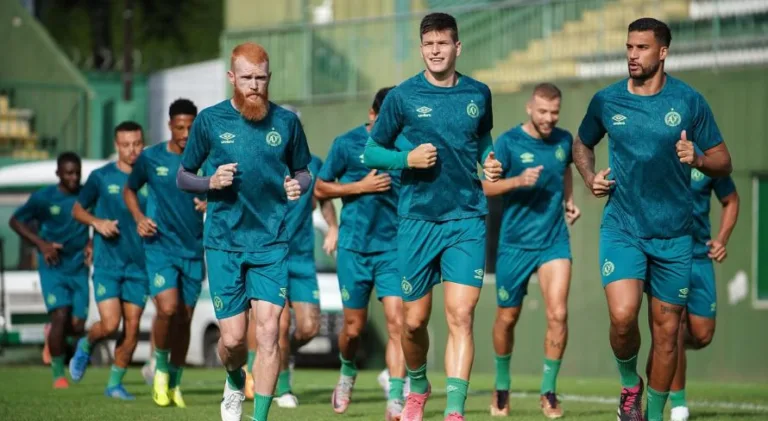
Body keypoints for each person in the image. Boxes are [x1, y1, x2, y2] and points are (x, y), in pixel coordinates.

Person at [571, 18, 732, 421]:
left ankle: (654, 415)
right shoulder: (607, 101)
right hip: (623, 228)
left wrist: (697, 157)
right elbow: (582, 142)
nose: (632, 55)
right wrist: (590, 177)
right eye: (628, 47)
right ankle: (630, 385)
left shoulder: (689, 102)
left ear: (662, 52)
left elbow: (723, 161)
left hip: (676, 236)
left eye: (641, 48)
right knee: (623, 317)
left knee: (666, 338)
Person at [363, 12, 503, 421]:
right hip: (417, 221)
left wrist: (489, 161)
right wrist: (406, 158)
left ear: (457, 47)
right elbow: (371, 152)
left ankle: (455, 411)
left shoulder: (479, 93)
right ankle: (418, 386)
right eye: (429, 44)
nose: (436, 51)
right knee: (413, 322)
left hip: (466, 219)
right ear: (421, 48)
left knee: (461, 315)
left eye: (443, 43)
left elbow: (482, 139)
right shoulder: (402, 96)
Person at [176, 42, 313, 421]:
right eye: (247, 78)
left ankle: (260, 417)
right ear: (231, 78)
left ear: (269, 78)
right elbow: (183, 176)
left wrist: (297, 185)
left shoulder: (286, 123)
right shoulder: (210, 121)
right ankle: (235, 379)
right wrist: (209, 182)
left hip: (271, 242)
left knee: (269, 333)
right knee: (234, 340)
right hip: (224, 243)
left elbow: (303, 171)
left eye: (261, 78)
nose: (255, 85)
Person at [482, 83, 580, 419]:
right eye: (543, 111)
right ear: (529, 108)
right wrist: (517, 181)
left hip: (554, 241)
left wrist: (568, 201)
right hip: (514, 245)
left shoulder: (564, 141)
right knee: (507, 318)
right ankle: (502, 385)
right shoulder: (508, 143)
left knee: (558, 314)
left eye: (555, 112)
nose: (549, 118)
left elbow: (566, 169)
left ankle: (549, 392)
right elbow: (486, 185)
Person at [315, 86, 410, 420]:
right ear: (372, 115)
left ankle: (396, 397)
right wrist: (357, 190)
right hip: (354, 250)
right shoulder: (346, 144)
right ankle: (346, 371)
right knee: (353, 329)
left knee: (399, 322)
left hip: (393, 251)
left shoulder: (407, 148)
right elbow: (320, 188)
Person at [243, 104, 339, 408]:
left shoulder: (313, 163)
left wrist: (333, 227)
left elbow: (321, 197)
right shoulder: (261, 161)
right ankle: (280, 387)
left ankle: (277, 357)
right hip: (270, 256)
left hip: (301, 257)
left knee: (309, 327)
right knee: (279, 325)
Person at [123, 99, 206, 408]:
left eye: (191, 127)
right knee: (168, 309)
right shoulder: (151, 158)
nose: (186, 133)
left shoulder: (206, 158)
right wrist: (139, 218)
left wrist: (210, 202)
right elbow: (129, 189)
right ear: (170, 125)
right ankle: (158, 367)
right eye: (180, 127)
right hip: (160, 246)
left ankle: (175, 380)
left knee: (184, 318)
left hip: (193, 250)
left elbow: (223, 192)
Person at [69, 121, 150, 400]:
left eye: (137, 144)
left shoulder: (152, 176)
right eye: (126, 145)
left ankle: (114, 383)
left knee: (132, 329)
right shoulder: (101, 177)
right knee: (109, 324)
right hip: (108, 264)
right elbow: (77, 210)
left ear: (143, 143)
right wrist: (98, 223)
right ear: (117, 146)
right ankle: (87, 343)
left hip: (140, 267)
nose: (132, 150)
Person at [9, 151, 91, 389]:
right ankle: (58, 376)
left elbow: (98, 218)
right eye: (68, 173)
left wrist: (92, 242)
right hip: (53, 266)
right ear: (58, 174)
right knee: (60, 314)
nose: (74, 177)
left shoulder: (86, 195)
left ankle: (52, 335)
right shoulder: (44, 198)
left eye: (77, 173)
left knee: (76, 326)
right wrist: (41, 244)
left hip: (78, 266)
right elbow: (15, 221)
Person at [666, 164, 739, 421]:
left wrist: (722, 239)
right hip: (668, 255)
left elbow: (730, 200)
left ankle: (664, 350)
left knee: (703, 334)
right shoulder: (659, 148)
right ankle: (678, 404)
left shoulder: (708, 158)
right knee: (673, 325)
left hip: (700, 257)